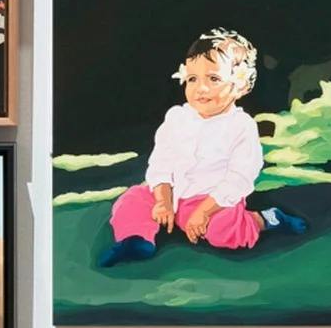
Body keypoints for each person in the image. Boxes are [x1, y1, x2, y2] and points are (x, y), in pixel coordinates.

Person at [104, 27, 271, 260]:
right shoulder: (177, 117)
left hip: (213, 201)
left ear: (240, 86)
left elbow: (239, 178)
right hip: (172, 194)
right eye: (192, 79)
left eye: (213, 79)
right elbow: (161, 162)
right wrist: (162, 200)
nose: (200, 88)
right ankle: (136, 240)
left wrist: (204, 212)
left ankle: (262, 220)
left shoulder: (241, 126)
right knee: (131, 201)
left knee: (223, 231)